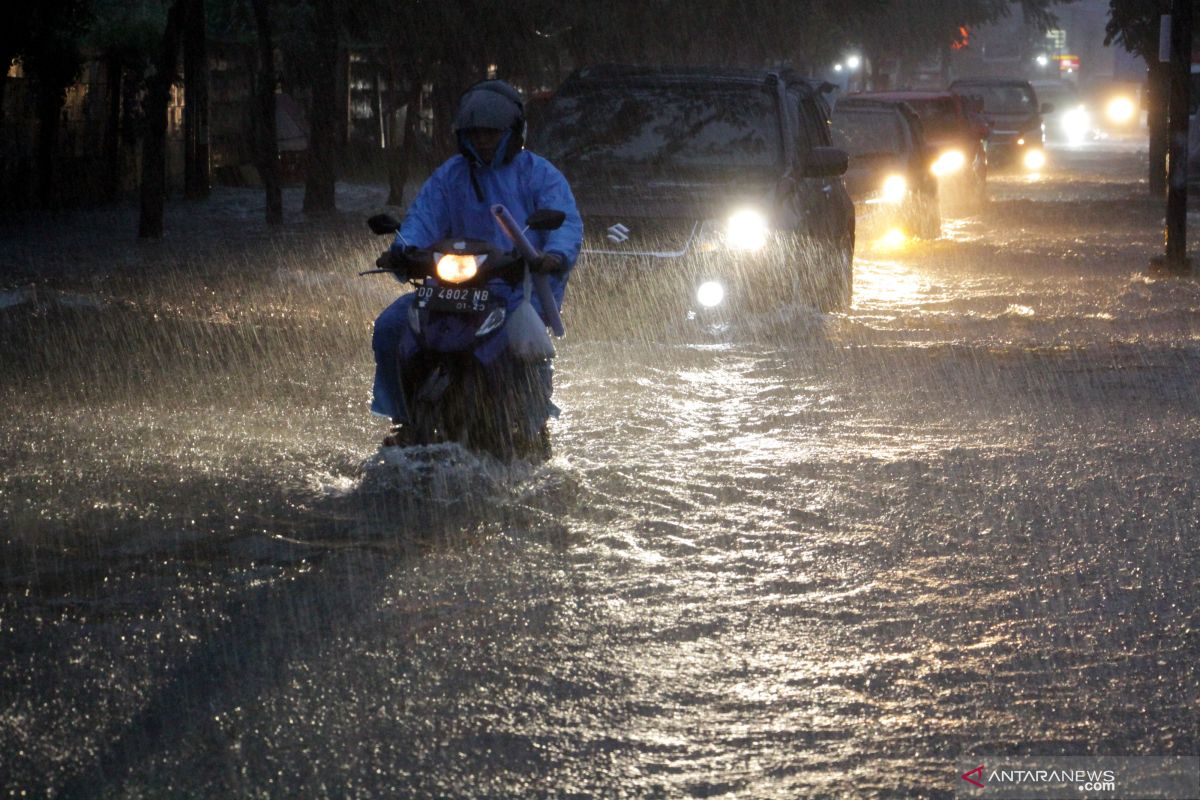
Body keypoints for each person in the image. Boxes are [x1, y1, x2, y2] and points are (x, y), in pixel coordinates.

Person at [371, 79, 583, 446]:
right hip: (448, 288)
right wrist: (403, 248)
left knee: (523, 343)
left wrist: (553, 256)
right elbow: (423, 217)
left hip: (514, 288)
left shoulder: (540, 174)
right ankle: (403, 416)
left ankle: (532, 424)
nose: (483, 141)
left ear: (512, 133)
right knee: (391, 326)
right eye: (475, 134)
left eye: (490, 133)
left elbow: (566, 222)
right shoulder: (450, 176)